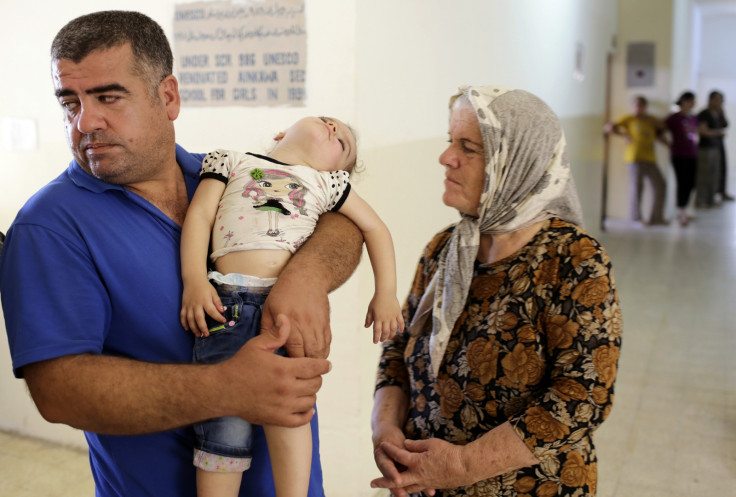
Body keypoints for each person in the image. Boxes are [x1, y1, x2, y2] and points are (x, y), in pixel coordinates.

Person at [0, 11, 364, 497]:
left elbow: (343, 221)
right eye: (70, 101)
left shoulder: (226, 175)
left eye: (108, 96)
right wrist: (228, 388)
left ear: (167, 96)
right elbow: (59, 390)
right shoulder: (49, 226)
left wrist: (308, 276)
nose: (86, 121)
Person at [371, 85, 622, 496]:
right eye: (450, 141)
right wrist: (385, 428)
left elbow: (583, 395)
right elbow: (399, 345)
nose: (446, 157)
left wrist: (464, 464)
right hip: (425, 483)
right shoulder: (445, 248)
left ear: (517, 163)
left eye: (468, 147)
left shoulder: (574, 260)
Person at [181, 118, 403, 497]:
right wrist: (195, 281)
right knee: (222, 421)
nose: (334, 129)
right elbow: (199, 216)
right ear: (282, 132)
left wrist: (386, 293)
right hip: (226, 306)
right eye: (328, 122)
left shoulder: (327, 184)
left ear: (337, 169)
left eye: (343, 143)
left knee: (291, 413)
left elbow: (376, 229)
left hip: (288, 315)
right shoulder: (230, 160)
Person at [605, 95, 668, 226]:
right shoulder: (629, 119)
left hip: (650, 158)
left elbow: (662, 129)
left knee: (661, 185)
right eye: (636, 105)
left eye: (641, 105)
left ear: (645, 107)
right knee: (637, 188)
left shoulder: (651, 120)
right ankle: (636, 218)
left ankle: (656, 218)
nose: (638, 108)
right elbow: (609, 127)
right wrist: (624, 135)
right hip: (635, 157)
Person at [664, 91, 699, 226]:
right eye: (691, 101)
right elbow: (660, 130)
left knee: (691, 183)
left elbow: (694, 132)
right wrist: (668, 144)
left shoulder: (693, 117)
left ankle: (685, 208)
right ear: (684, 101)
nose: (693, 104)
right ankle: (681, 212)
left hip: (692, 153)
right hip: (679, 155)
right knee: (682, 182)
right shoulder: (674, 118)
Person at [696, 90, 731, 207]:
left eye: (721, 100)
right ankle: (701, 200)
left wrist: (721, 113)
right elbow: (703, 131)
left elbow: (725, 124)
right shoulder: (704, 114)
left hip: (716, 147)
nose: (719, 102)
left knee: (715, 175)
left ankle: (711, 199)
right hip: (706, 148)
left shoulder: (718, 113)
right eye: (717, 100)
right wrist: (716, 133)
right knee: (704, 175)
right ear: (710, 100)